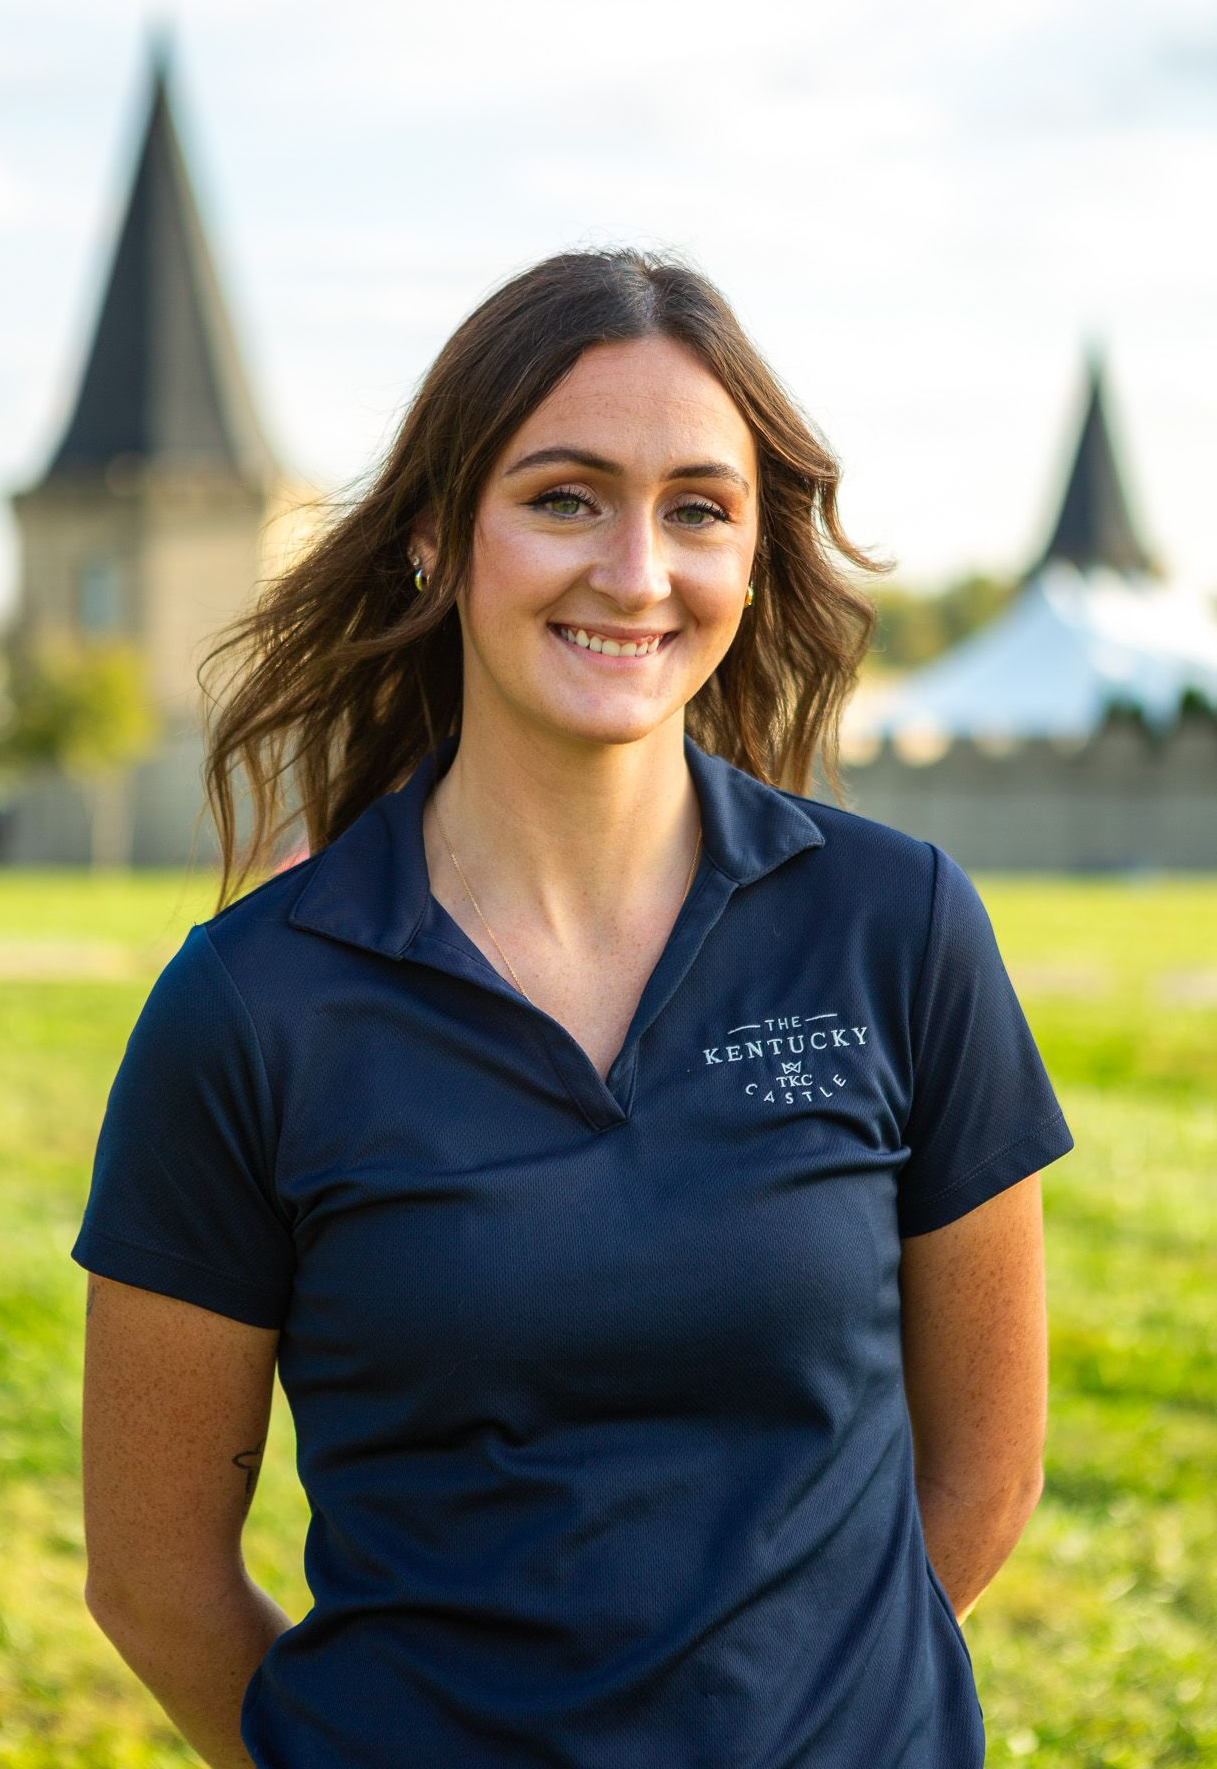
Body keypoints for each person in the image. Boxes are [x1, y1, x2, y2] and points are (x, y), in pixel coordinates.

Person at [72, 246, 1074, 1769]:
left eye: (697, 509)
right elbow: (155, 1581)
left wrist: (805, 1716)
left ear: (752, 556)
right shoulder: (252, 1008)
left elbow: (986, 1474)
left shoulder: (896, 924)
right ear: (433, 536)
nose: (636, 570)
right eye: (564, 497)